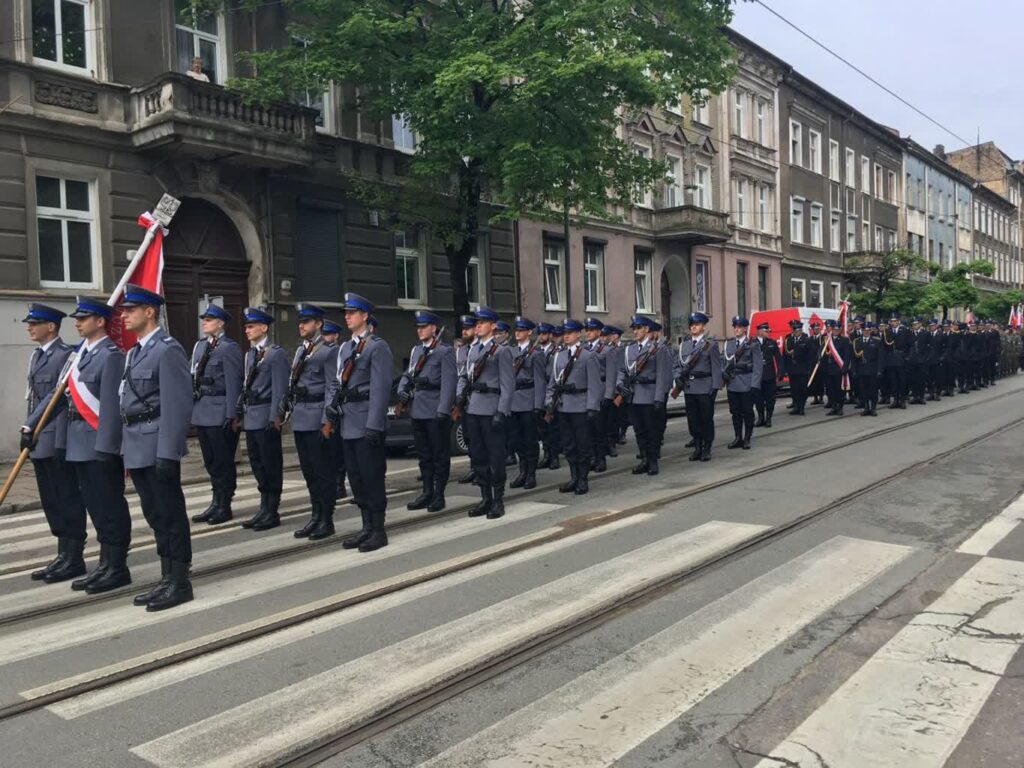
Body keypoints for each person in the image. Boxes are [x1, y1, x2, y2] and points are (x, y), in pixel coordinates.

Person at [117, 285, 193, 611]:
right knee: (154, 515)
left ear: (149, 312)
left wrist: (168, 451)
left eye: (130, 310)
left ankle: (180, 580)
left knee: (170, 513)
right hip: (137, 443)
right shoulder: (135, 352)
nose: (124, 315)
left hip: (157, 444)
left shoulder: (168, 350)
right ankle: (166, 576)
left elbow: (177, 406)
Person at [60, 297, 131, 594]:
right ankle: (104, 563)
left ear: (100, 321)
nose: (77, 322)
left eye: (84, 317)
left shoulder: (111, 355)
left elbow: (112, 408)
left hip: (99, 443)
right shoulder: (81, 355)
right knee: (94, 506)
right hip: (79, 442)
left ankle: (117, 566)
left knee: (109, 504)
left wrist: (107, 446)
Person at [20, 304, 87, 583]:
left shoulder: (66, 356)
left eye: (35, 323)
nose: (29, 327)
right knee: (50, 500)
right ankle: (63, 554)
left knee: (66, 497)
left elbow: (61, 401)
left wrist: (52, 438)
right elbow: (34, 399)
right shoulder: (37, 356)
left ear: (51, 327)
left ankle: (74, 556)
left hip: (55, 437)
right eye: (29, 323)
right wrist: (29, 429)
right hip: (38, 438)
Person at [324, 293, 393, 551]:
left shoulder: (377, 347)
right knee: (356, 478)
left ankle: (378, 530)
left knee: (372, 477)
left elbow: (381, 388)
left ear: (365, 316)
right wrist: (331, 407)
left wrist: (374, 425)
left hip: (366, 423)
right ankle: (365, 527)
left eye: (353, 312)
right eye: (346, 312)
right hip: (348, 423)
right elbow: (336, 382)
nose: (347, 316)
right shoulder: (344, 348)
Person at [287, 303, 339, 540]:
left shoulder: (328, 351)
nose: (301, 325)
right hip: (300, 417)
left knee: (322, 472)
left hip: (317, 417)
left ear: (318, 324)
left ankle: (326, 519)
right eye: (300, 322)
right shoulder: (301, 351)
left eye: (306, 322)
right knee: (309, 472)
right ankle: (315, 515)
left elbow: (332, 386)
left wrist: (326, 419)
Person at [456, 306, 513, 519]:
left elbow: (508, 384)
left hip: (491, 409)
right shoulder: (471, 350)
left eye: (482, 322)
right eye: (476, 323)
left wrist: (502, 411)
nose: (477, 326)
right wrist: (460, 395)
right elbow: (463, 376)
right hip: (473, 409)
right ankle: (485, 498)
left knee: (495, 457)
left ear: (493, 326)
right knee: (478, 457)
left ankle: (498, 500)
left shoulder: (501, 351)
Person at [397, 310, 456, 513]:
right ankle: (426, 491)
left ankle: (439, 494)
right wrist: (402, 390)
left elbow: (449, 384)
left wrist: (443, 410)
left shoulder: (444, 351)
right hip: (418, 409)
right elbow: (408, 374)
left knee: (439, 454)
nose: (420, 330)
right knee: (424, 455)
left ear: (433, 329)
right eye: (418, 327)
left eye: (424, 327)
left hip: (435, 409)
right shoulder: (416, 351)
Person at [189, 304, 243, 526]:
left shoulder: (228, 348)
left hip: (221, 411)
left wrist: (232, 415)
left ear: (220, 323)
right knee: (210, 461)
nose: (204, 322)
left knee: (223, 461)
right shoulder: (200, 347)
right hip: (202, 410)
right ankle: (215, 501)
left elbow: (234, 383)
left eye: (209, 319)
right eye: (204, 319)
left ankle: (225, 504)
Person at [237, 307, 289, 532]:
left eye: (251, 326)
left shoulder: (275, 353)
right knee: (257, 464)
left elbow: (280, 389)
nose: (246, 330)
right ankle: (263, 507)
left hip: (267, 416)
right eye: (246, 327)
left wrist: (275, 417)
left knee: (270, 465)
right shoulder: (250, 354)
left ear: (264, 327)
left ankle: (272, 510)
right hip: (252, 417)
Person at [546, 319, 601, 494]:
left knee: (582, 445)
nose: (566, 336)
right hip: (563, 406)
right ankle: (573, 477)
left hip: (581, 405)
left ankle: (583, 479)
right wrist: (549, 403)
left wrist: (592, 407)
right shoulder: (558, 356)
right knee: (569, 445)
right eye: (565, 333)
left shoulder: (587, 355)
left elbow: (595, 384)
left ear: (579, 334)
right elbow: (552, 383)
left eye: (570, 333)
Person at [616, 315, 670, 474]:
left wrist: (659, 397)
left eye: (638, 328)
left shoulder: (657, 349)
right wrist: (619, 385)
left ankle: (653, 461)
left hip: (649, 394)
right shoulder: (629, 350)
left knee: (651, 430)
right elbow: (622, 370)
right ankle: (644, 459)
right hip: (633, 395)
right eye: (634, 328)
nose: (635, 331)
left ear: (647, 329)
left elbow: (661, 375)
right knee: (639, 430)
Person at [674, 312, 724, 461]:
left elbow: (716, 368)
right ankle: (697, 447)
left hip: (705, 386)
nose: (693, 327)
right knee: (693, 420)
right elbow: (677, 364)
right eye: (691, 324)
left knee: (706, 419)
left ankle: (707, 448)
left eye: (697, 324)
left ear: (703, 326)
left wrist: (714, 388)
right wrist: (678, 377)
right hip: (689, 387)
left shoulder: (710, 345)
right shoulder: (684, 345)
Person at [508, 317, 545, 490]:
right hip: (513, 401)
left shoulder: (536, 354)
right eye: (517, 330)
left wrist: (538, 405)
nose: (518, 332)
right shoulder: (510, 351)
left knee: (530, 440)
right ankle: (522, 471)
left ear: (530, 332)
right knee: (516, 439)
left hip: (528, 401)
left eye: (522, 330)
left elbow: (539, 381)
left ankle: (531, 474)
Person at [722, 316, 761, 449]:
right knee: (735, 413)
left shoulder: (753, 344)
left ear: (745, 329)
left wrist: (755, 385)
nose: (737, 329)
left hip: (746, 383)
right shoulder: (729, 344)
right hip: (732, 383)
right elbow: (725, 363)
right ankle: (738, 437)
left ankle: (747, 438)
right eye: (735, 327)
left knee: (747, 412)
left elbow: (757, 366)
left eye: (739, 327)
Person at [321, 320, 347, 500]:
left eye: (328, 334)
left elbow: (333, 382)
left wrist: (331, 406)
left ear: (336, 336)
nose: (325, 337)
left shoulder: (335, 352)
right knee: (327, 449)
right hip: (323, 405)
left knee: (336, 448)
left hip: (333, 406)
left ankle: (339, 483)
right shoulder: (321, 352)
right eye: (323, 334)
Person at [582, 318, 611, 473]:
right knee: (589, 429)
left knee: (600, 429)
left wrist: (608, 394)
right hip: (587, 392)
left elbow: (611, 374)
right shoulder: (583, 350)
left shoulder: (606, 350)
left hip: (601, 391)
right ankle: (592, 457)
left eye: (591, 330)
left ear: (599, 332)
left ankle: (601, 458)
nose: (588, 333)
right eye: (586, 330)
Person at [454, 314, 478, 484]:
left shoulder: (482, 349)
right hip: (465, 400)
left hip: (479, 399)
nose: (464, 332)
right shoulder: (460, 351)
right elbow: (459, 375)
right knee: (469, 436)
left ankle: (483, 469)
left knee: (481, 438)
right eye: (463, 329)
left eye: (467, 329)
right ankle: (474, 467)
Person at [536, 322, 561, 470]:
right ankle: (546, 454)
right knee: (542, 428)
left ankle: (554, 456)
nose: (541, 337)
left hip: (552, 392)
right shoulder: (536, 351)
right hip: (540, 392)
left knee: (553, 427)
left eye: (544, 334)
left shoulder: (556, 352)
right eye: (539, 333)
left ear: (551, 335)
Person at [600, 325, 624, 456]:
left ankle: (611, 443)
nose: (603, 338)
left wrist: (617, 390)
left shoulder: (616, 351)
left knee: (612, 419)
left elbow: (619, 370)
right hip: (600, 389)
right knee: (602, 420)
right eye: (601, 336)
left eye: (605, 336)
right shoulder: (599, 350)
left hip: (613, 389)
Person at [853, 322, 885, 416]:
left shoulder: (877, 341)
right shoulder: (857, 341)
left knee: (873, 389)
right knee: (863, 390)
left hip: (873, 369)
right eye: (864, 330)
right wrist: (854, 370)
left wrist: (880, 370)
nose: (866, 332)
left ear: (870, 331)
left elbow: (881, 357)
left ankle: (873, 408)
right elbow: (854, 358)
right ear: (861, 331)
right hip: (861, 369)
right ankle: (866, 407)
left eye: (868, 330)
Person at [783, 319, 815, 415]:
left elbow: (811, 355)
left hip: (803, 369)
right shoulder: (789, 340)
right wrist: (785, 368)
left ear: (801, 330)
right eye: (795, 331)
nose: (797, 333)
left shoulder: (806, 340)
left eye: (798, 331)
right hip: (792, 369)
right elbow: (784, 355)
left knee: (803, 389)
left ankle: (801, 407)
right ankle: (796, 406)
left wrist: (809, 367)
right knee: (794, 389)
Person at [821, 319, 853, 415]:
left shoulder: (845, 340)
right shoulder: (827, 340)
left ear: (840, 330)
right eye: (834, 329)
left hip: (839, 368)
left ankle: (840, 407)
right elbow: (821, 352)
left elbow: (847, 356)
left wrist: (845, 368)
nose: (836, 331)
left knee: (839, 389)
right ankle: (834, 406)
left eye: (838, 329)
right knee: (830, 389)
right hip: (828, 368)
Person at [753, 321, 781, 427]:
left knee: (770, 399)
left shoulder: (772, 343)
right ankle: (761, 418)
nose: (768, 332)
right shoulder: (752, 343)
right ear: (759, 332)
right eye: (766, 331)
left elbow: (778, 358)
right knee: (758, 399)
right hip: (757, 377)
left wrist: (780, 372)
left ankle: (769, 418)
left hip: (769, 376)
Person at [881, 313, 909, 408]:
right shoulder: (887, 332)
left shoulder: (905, 331)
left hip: (901, 358)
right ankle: (895, 400)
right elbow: (884, 346)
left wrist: (907, 357)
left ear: (898, 321)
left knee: (902, 381)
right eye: (892, 321)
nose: (893, 323)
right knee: (893, 381)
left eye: (895, 321)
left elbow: (909, 345)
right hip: (891, 359)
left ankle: (902, 400)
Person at [907, 317, 931, 405]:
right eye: (913, 325)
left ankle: (921, 396)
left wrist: (926, 358)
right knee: (913, 379)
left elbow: (930, 347)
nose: (914, 326)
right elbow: (908, 346)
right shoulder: (910, 334)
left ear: (920, 324)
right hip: (913, 360)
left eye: (916, 324)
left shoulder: (926, 333)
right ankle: (915, 396)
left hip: (922, 360)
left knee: (921, 379)